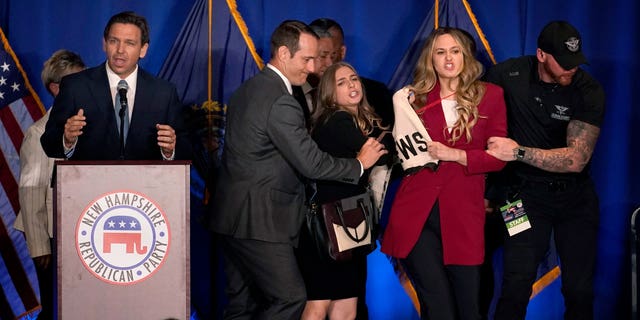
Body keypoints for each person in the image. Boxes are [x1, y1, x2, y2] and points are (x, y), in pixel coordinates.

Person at [209, 20, 387, 320]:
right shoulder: (282, 100)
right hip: (262, 220)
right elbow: (311, 163)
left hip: (230, 217)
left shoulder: (246, 90)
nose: (312, 67)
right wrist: (359, 164)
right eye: (306, 59)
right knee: (290, 299)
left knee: (241, 306)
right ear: (282, 53)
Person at [380, 27, 507, 320]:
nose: (448, 59)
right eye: (440, 52)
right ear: (431, 59)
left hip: (464, 214)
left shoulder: (491, 96)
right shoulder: (412, 101)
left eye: (455, 51)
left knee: (470, 308)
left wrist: (458, 155)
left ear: (466, 56)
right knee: (438, 309)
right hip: (416, 215)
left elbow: (499, 158)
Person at [485, 21, 605, 320]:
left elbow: (577, 159)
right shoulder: (506, 75)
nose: (571, 69)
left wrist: (518, 152)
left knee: (580, 290)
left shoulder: (588, 90)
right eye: (563, 63)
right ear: (540, 55)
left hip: (575, 198)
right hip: (519, 197)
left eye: (575, 62)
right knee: (516, 284)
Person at [296, 62, 394, 320]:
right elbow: (381, 157)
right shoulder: (337, 119)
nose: (352, 85)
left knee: (346, 305)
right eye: (342, 82)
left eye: (353, 79)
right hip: (328, 227)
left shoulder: (351, 120)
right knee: (320, 304)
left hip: (347, 224)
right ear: (329, 93)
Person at [40, 11, 189, 161]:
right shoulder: (75, 86)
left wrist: (170, 150)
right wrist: (67, 139)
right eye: (114, 41)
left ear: (143, 50)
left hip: (144, 183)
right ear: (104, 44)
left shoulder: (163, 92)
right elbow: (48, 142)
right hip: (90, 182)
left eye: (129, 43)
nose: (120, 50)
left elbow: (185, 146)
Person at [14, 49, 85, 320]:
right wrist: (40, 246)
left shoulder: (94, 124)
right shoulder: (39, 133)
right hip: (51, 235)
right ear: (56, 88)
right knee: (57, 307)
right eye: (77, 81)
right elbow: (31, 192)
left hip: (83, 230)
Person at [310, 18, 394, 128]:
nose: (329, 63)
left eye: (333, 54)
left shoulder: (376, 93)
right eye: (322, 55)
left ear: (342, 52)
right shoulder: (292, 95)